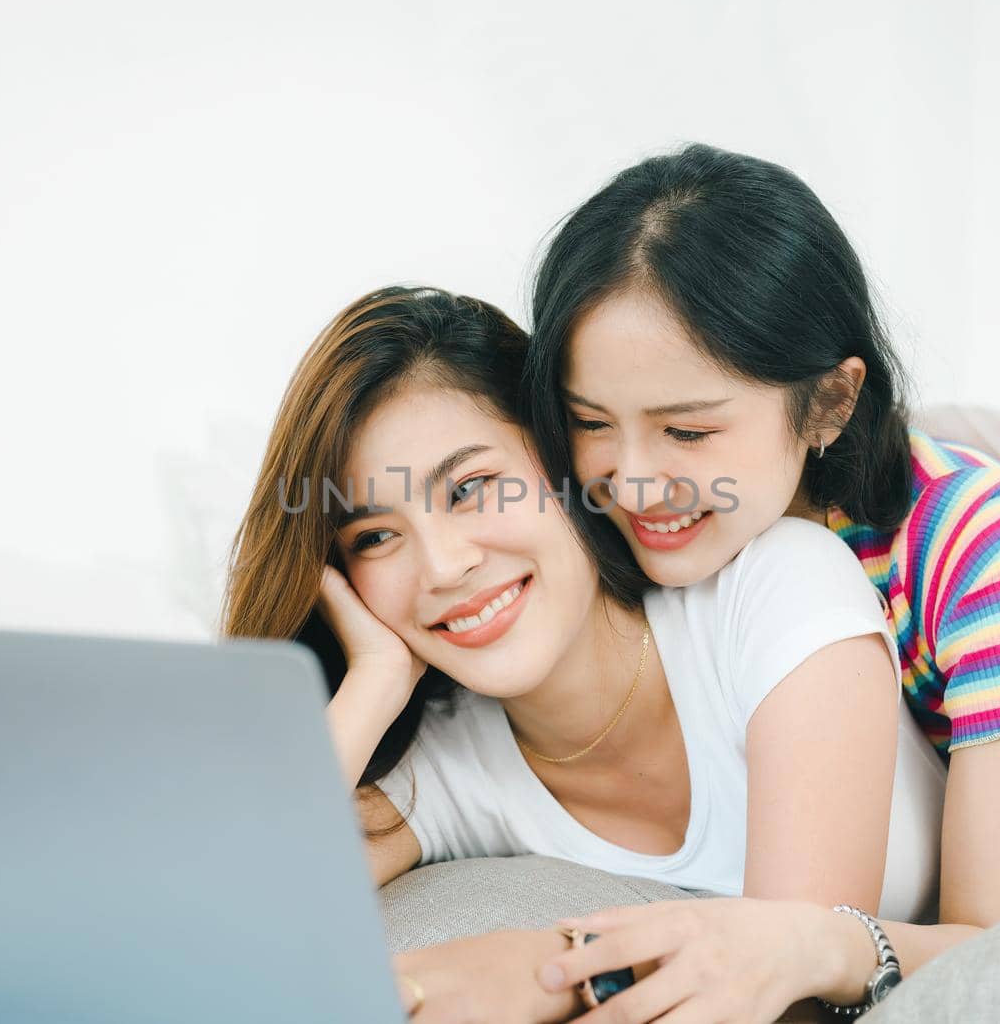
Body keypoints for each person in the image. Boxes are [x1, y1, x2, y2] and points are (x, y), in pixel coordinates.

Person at [221, 285, 947, 1021]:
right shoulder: (444, 762)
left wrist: (555, 968)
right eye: (374, 535)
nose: (442, 565)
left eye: (472, 487)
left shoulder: (773, 588)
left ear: (565, 461)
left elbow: (782, 992)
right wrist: (372, 686)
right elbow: (226, 926)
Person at [522, 143, 1000, 1014]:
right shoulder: (573, 514)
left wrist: (807, 944)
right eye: (590, 421)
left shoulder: (987, 553)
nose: (634, 481)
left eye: (687, 432)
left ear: (831, 404)